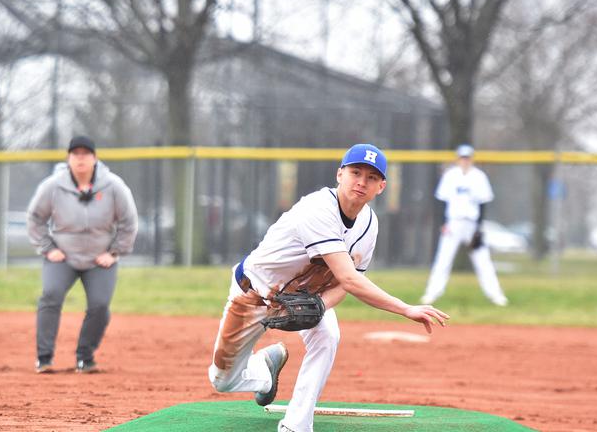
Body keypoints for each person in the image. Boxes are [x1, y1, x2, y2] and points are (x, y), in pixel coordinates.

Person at [207, 144, 449, 432]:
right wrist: (405, 308)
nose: (361, 182)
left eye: (371, 177)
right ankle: (265, 372)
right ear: (340, 174)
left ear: (381, 186)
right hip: (254, 295)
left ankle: (296, 425)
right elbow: (350, 279)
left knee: (328, 336)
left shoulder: (369, 225)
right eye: (355, 172)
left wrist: (321, 306)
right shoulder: (318, 209)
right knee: (222, 381)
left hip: (306, 294)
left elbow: (345, 284)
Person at [27, 135, 138, 374]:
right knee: (51, 295)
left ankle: (84, 357)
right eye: (75, 154)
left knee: (99, 305)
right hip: (63, 256)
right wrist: (48, 248)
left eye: (85, 153)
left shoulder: (113, 186)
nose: (80, 158)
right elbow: (35, 218)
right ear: (68, 158)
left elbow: (129, 221)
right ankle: (44, 357)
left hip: (99, 258)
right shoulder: (54, 185)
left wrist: (114, 252)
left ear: (94, 158)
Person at [420, 144, 509, 306]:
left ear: (471, 159)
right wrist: (443, 223)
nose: (465, 161)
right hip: (453, 223)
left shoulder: (479, 176)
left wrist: (479, 227)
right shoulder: (450, 175)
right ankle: (432, 293)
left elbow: (483, 204)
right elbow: (442, 201)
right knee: (443, 259)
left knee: (483, 261)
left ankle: (496, 295)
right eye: (462, 158)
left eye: (468, 158)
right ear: (458, 159)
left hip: (472, 224)